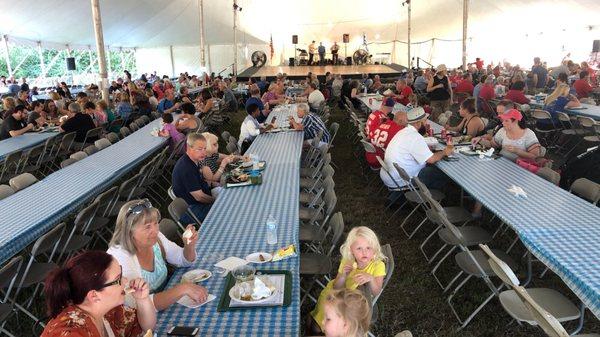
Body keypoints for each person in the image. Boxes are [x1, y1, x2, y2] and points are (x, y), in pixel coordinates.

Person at [107, 199, 207, 311]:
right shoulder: (120, 257)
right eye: (147, 227)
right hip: (142, 319)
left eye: (155, 223)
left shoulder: (156, 239)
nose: (155, 230)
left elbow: (182, 260)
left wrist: (189, 245)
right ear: (129, 231)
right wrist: (182, 289)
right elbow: (135, 304)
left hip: (166, 304)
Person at [40, 251, 155, 337]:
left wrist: (142, 299)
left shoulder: (107, 310)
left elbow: (146, 327)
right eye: (118, 279)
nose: (125, 281)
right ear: (94, 295)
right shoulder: (70, 333)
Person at [309, 226, 386, 334]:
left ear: (375, 248)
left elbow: (377, 291)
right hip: (339, 293)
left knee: (338, 323)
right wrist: (344, 274)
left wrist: (371, 278)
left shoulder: (378, 265)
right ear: (351, 250)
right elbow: (337, 287)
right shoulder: (348, 260)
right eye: (359, 248)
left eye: (369, 248)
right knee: (317, 326)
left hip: (356, 300)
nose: (364, 252)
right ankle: (319, 322)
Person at [380, 107, 453, 190]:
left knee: (432, 169)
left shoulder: (403, 132)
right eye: (425, 121)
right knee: (443, 174)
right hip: (402, 180)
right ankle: (438, 197)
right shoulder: (415, 137)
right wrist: (445, 152)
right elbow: (431, 159)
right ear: (418, 123)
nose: (426, 123)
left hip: (390, 176)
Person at [172, 133, 216, 223]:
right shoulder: (186, 168)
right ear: (189, 148)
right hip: (193, 209)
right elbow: (199, 197)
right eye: (199, 149)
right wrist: (216, 201)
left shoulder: (194, 160)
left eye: (204, 148)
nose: (204, 152)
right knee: (223, 208)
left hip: (200, 201)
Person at [472, 109, 540, 160]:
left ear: (516, 121)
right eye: (503, 120)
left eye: (506, 121)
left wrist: (517, 151)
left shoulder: (528, 134)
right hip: (503, 163)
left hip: (521, 167)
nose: (503, 123)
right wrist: (480, 139)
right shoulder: (502, 131)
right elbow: (492, 145)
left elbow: (535, 157)